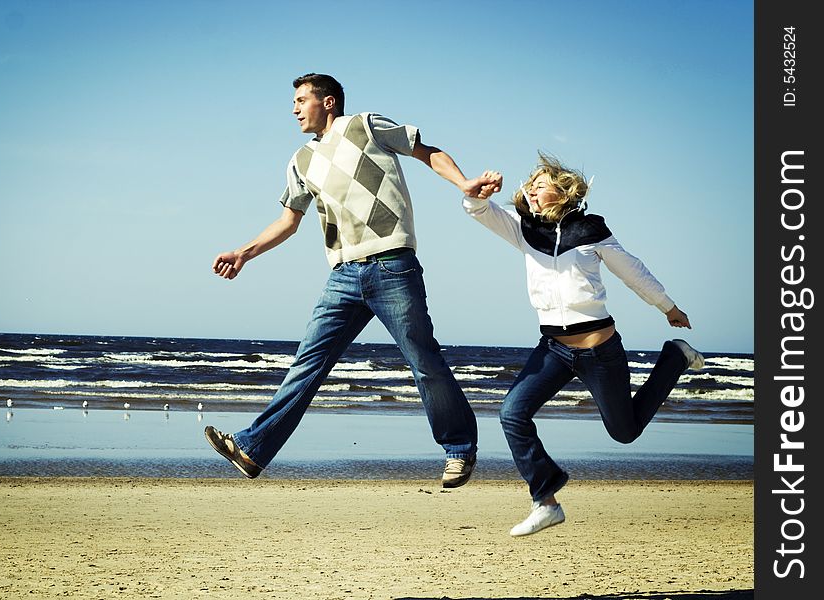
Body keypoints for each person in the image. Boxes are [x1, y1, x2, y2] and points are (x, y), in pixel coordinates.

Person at [205, 73, 496, 488]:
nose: (294, 108)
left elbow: (425, 151)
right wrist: (243, 253)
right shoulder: (300, 160)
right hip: (343, 275)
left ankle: (459, 449)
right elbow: (289, 221)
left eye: (301, 100)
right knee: (308, 364)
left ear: (328, 102)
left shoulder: (366, 125)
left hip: (392, 263)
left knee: (423, 360)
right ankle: (253, 449)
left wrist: (464, 183)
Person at [462, 152, 705, 535]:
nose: (533, 190)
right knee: (512, 413)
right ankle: (545, 500)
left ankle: (674, 356)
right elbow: (483, 212)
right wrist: (475, 195)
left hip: (599, 350)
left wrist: (666, 305)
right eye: (531, 186)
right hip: (553, 349)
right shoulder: (525, 230)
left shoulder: (590, 230)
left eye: (542, 184)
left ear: (564, 191)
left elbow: (631, 269)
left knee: (624, 433)